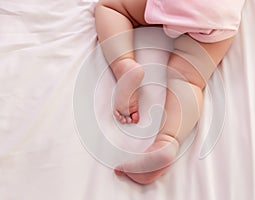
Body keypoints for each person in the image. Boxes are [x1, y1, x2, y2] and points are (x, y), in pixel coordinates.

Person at [94, 0, 245, 184]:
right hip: (218, 14)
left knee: (111, 7)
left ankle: (124, 63)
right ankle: (167, 140)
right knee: (188, 79)